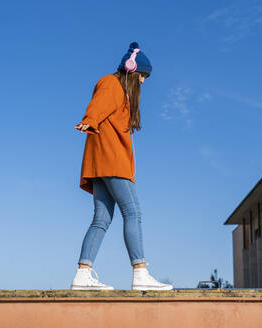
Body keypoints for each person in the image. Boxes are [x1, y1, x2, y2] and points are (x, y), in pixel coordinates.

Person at [70, 42, 173, 291]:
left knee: (101, 219)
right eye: (142, 76)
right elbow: (98, 105)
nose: (143, 82)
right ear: (130, 69)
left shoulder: (122, 93)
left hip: (103, 164)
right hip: (112, 161)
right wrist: (89, 120)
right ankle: (140, 272)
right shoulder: (111, 84)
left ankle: (82, 275)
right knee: (133, 213)